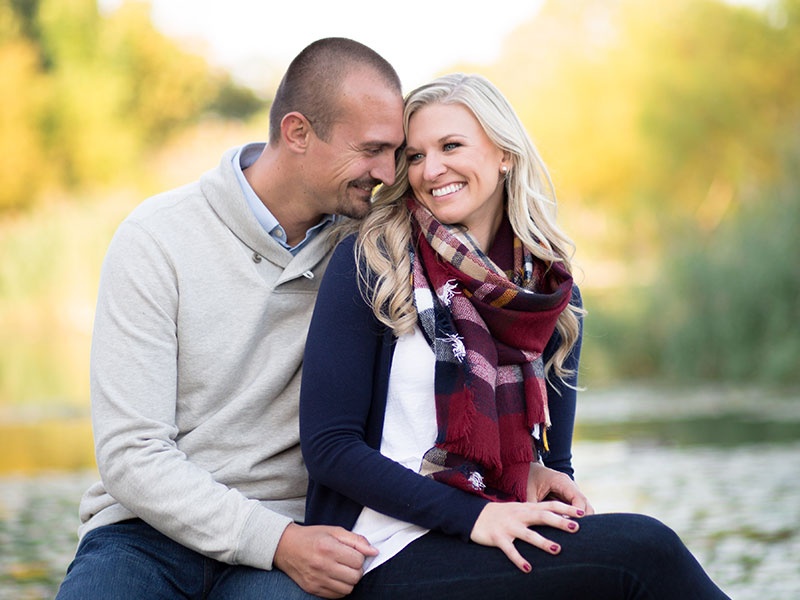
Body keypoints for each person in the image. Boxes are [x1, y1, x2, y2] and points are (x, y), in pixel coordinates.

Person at [299, 73, 730, 599]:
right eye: (414, 156)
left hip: (496, 529)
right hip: (384, 548)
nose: (431, 170)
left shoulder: (548, 292)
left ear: (504, 154)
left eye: (451, 146)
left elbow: (555, 462)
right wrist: (473, 515)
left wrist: (543, 478)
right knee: (644, 550)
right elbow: (330, 448)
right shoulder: (373, 261)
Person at [55, 37, 405, 600]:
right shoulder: (156, 238)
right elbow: (131, 454)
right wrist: (275, 542)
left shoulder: (373, 249)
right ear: (298, 133)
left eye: (395, 151)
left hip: (296, 536)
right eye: (371, 149)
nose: (387, 172)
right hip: (145, 534)